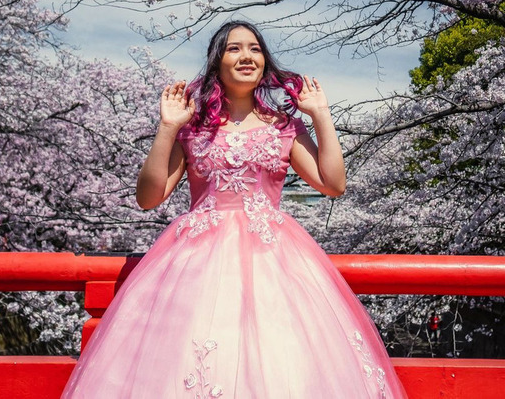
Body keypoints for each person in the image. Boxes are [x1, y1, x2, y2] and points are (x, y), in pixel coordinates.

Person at [61, 21, 406, 398]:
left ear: (265, 61)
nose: (247, 56)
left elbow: (333, 184)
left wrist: (320, 115)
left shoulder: (284, 127)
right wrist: (167, 127)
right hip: (194, 265)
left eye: (255, 49)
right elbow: (149, 198)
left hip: (275, 263)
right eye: (235, 49)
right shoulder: (193, 129)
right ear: (217, 62)